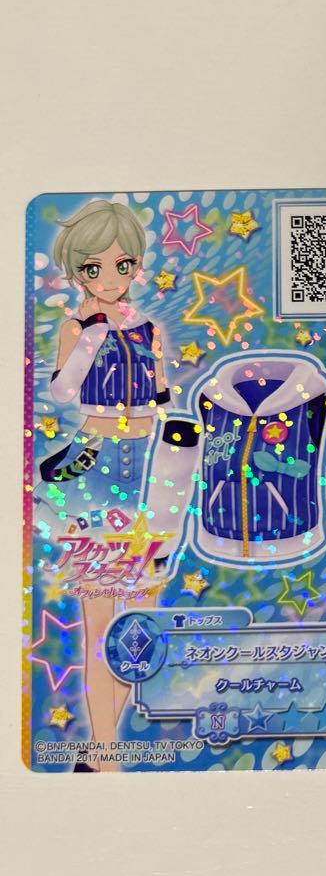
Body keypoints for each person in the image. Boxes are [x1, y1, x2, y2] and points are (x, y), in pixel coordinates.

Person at [37, 200, 169, 770]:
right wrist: (91, 336)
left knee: (140, 614)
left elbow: (160, 397)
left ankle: (106, 748)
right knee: (98, 613)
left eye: (122, 265)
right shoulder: (77, 327)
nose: (110, 278)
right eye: (93, 268)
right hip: (95, 461)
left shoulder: (149, 328)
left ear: (136, 265)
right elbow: (62, 393)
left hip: (148, 463)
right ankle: (103, 753)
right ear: (77, 272)